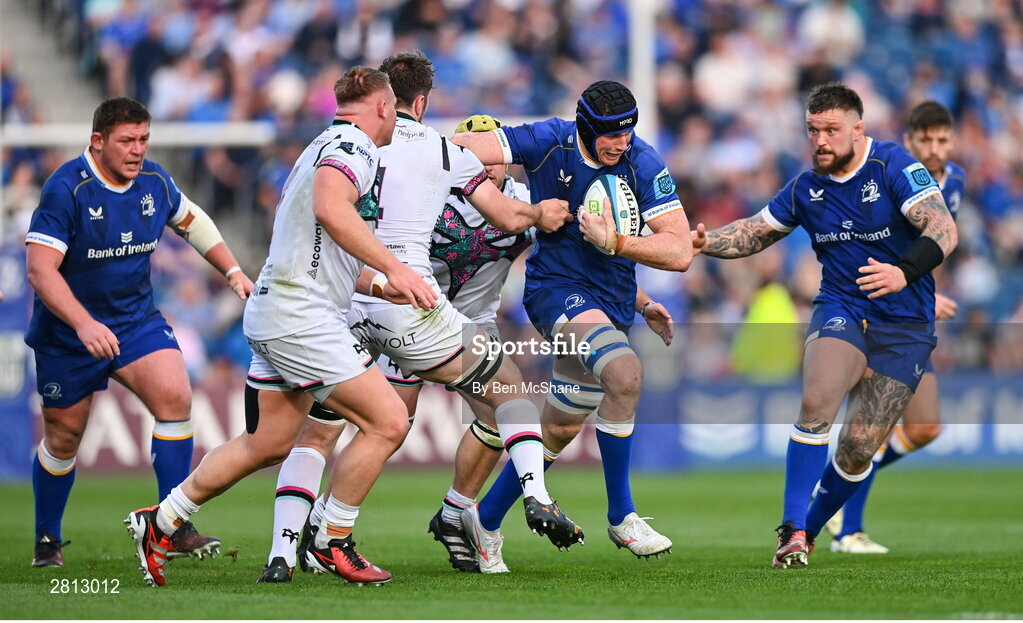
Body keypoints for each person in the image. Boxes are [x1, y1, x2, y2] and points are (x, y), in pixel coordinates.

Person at [254, 51, 578, 583]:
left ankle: (281, 550)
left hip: (335, 301)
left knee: (320, 431)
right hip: (409, 306)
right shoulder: (446, 153)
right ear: (422, 102)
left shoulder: (334, 144)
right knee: (503, 391)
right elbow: (510, 214)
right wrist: (542, 214)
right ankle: (528, 497)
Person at [124, 66, 440, 587]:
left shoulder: (318, 146)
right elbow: (330, 210)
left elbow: (318, 245)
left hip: (277, 308)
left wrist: (380, 285)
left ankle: (160, 521)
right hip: (303, 318)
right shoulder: (354, 147)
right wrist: (397, 267)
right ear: (384, 107)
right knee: (388, 421)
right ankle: (332, 539)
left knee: (265, 444)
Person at [689, 83, 957, 568]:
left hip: (906, 324)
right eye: (813, 130)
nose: (820, 140)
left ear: (859, 130)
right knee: (817, 400)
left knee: (858, 447)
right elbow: (753, 233)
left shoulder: (894, 166)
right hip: (843, 307)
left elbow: (943, 228)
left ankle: (810, 530)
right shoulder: (805, 187)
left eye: (832, 130)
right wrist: (703, 242)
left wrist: (903, 271)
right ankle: (790, 530)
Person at [450, 80, 692, 572]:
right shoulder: (547, 141)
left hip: (614, 300)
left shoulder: (642, 161)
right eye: (610, 135)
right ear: (584, 126)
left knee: (559, 428)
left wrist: (622, 253)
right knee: (625, 373)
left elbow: (680, 250)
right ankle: (622, 515)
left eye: (628, 134)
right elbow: (463, 144)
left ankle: (485, 521)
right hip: (554, 292)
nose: (621, 144)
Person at [24, 97, 252, 568]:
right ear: (98, 141)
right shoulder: (66, 189)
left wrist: (231, 270)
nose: (137, 150)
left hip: (135, 320)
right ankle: (47, 537)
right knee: (64, 437)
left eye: (144, 139)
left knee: (175, 398)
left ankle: (170, 522)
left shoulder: (153, 181)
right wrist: (83, 324)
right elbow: (40, 271)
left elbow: (192, 221)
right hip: (69, 333)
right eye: (127, 141)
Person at [823, 100, 966, 554]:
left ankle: (831, 489)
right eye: (925, 139)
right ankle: (848, 529)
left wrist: (926, 288)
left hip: (914, 316)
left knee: (925, 428)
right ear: (909, 140)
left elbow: (931, 242)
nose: (935, 147)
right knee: (872, 429)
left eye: (942, 139)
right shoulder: (886, 175)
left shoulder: (954, 182)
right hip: (875, 316)